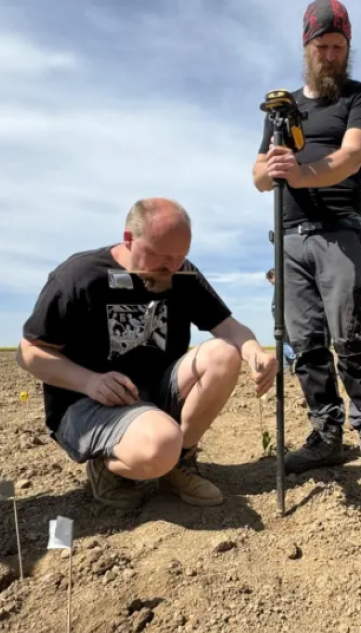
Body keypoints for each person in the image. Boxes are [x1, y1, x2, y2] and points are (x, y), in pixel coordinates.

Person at [16, 198, 276, 509]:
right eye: (162, 257)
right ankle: (107, 467)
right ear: (129, 239)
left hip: (153, 394)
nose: (172, 266)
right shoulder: (81, 276)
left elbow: (231, 329)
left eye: (181, 257)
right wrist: (89, 382)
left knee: (224, 354)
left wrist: (255, 352)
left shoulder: (181, 274)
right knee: (162, 441)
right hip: (90, 403)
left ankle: (176, 465)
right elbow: (28, 352)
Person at [250, 0, 361, 480]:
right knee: (306, 343)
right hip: (288, 239)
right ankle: (326, 434)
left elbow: (351, 157)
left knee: (351, 335)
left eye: (339, 46)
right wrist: (270, 170)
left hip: (339, 232)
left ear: (347, 48)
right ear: (306, 45)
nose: (331, 54)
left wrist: (299, 171)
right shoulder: (281, 108)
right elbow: (256, 174)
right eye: (323, 46)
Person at [265, 268, 297, 372]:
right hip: (287, 319)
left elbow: (278, 307)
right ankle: (287, 368)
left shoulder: (281, 287)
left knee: (282, 341)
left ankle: (295, 359)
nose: (271, 283)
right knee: (287, 341)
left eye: (270, 280)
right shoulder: (287, 285)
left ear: (273, 276)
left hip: (283, 320)